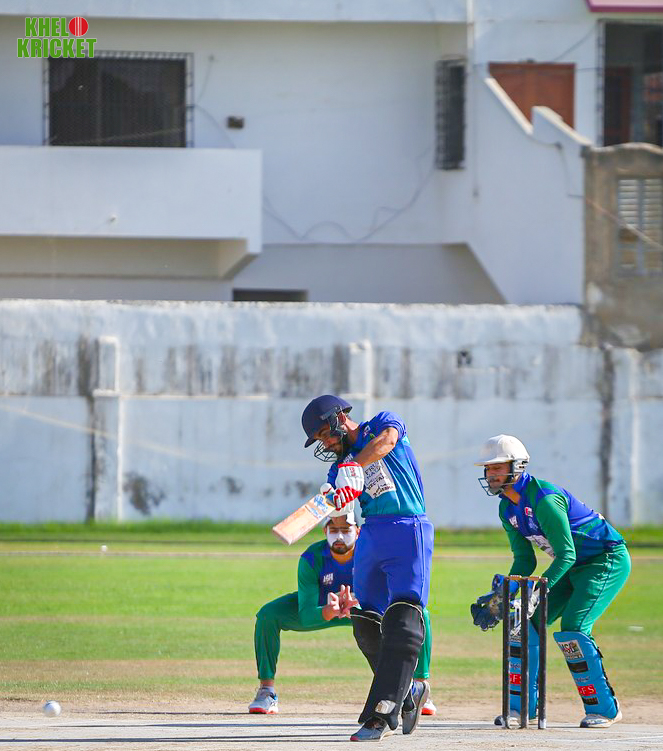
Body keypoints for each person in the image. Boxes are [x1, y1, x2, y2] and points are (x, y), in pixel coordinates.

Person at [470, 434, 630, 729]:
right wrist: (507, 592)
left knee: (574, 627)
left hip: (604, 560)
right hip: (571, 566)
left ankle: (605, 709)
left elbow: (567, 553)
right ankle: (522, 709)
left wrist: (534, 593)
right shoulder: (507, 508)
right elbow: (524, 561)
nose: (491, 474)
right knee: (526, 626)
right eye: (488, 468)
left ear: (517, 467)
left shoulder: (544, 499)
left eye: (498, 467)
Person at [302, 394, 434, 742]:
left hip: (408, 527)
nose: (325, 444)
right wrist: (331, 497)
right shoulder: (338, 467)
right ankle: (408, 692)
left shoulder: (382, 424)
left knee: (403, 616)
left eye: (324, 434)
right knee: (365, 621)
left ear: (338, 419)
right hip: (371, 534)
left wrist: (354, 467)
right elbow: (336, 500)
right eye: (319, 440)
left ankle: (382, 714)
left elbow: (386, 442)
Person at [248, 510, 437, 716]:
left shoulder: (373, 553)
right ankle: (266, 691)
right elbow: (307, 615)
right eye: (334, 529)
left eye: (346, 530)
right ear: (325, 531)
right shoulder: (312, 557)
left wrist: (359, 603)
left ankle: (420, 689)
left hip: (368, 609)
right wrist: (328, 611)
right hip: (323, 609)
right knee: (268, 615)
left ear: (358, 531)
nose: (339, 536)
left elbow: (388, 595)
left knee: (420, 614)